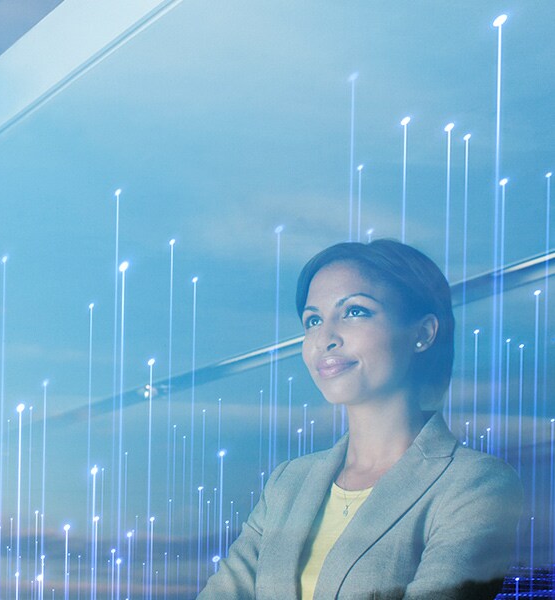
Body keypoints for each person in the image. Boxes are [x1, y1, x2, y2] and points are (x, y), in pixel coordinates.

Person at [198, 240, 522, 599]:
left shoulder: (475, 484)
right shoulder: (287, 483)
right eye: (313, 320)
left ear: (423, 333)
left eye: (354, 311)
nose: (324, 338)